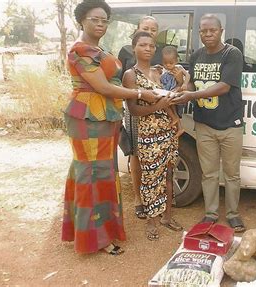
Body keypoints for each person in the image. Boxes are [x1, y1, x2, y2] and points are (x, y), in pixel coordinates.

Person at [62, 0, 160, 255]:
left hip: (105, 117)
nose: (100, 24)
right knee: (91, 176)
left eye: (104, 20)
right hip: (87, 119)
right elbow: (103, 87)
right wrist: (140, 92)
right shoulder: (80, 50)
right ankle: (95, 239)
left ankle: (95, 231)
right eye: (95, 19)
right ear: (81, 20)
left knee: (101, 173)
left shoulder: (98, 48)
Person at [172, 14, 246, 232]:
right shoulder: (196, 56)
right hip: (204, 124)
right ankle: (211, 213)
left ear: (220, 31)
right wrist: (183, 90)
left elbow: (224, 86)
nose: (207, 34)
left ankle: (233, 214)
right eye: (203, 31)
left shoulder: (232, 54)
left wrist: (190, 96)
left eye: (211, 30)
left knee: (232, 174)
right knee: (209, 173)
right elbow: (193, 85)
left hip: (231, 124)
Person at [123, 31, 183, 241]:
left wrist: (175, 93)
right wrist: (160, 105)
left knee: (168, 175)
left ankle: (167, 217)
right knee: (150, 178)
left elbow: (178, 87)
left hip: (168, 130)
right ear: (134, 48)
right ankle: (151, 221)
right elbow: (134, 110)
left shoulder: (160, 72)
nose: (148, 48)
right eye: (143, 45)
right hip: (148, 133)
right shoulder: (131, 75)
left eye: (151, 45)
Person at [117, 16, 162, 220]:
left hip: (156, 112)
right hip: (135, 110)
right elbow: (120, 83)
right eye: (146, 28)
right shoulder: (126, 52)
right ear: (137, 30)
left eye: (154, 30)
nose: (150, 33)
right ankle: (138, 198)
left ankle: (155, 197)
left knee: (156, 156)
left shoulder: (157, 53)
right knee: (136, 154)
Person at [160, 45, 189, 136]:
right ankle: (178, 124)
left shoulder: (179, 68)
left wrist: (185, 84)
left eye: (171, 63)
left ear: (176, 61)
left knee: (168, 102)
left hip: (176, 90)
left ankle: (175, 119)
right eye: (165, 63)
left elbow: (187, 75)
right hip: (167, 92)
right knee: (167, 103)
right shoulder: (163, 70)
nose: (168, 65)